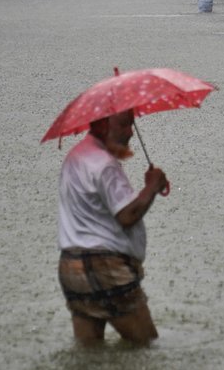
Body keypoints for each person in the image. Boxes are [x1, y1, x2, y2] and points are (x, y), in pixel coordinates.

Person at [57, 110, 169, 346]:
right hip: (105, 268)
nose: (130, 132)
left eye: (131, 124)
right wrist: (152, 186)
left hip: (71, 267)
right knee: (146, 346)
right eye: (125, 124)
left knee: (89, 354)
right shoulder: (104, 164)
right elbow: (128, 215)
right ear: (104, 124)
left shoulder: (75, 157)